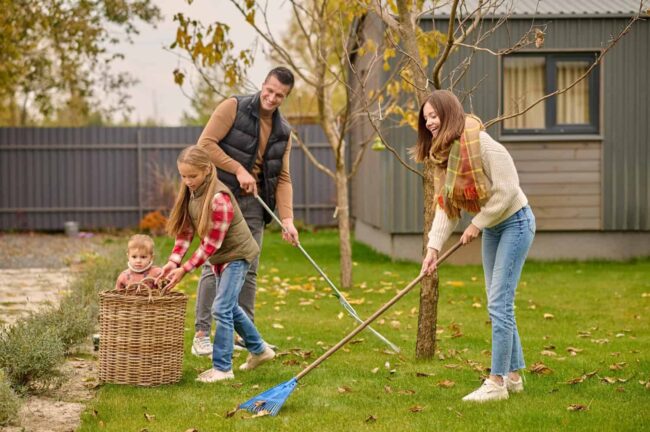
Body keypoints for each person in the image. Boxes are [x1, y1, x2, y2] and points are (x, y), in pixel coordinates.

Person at [417, 90, 535, 402]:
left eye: (434, 115)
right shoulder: (445, 155)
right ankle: (513, 376)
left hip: (516, 222)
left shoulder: (480, 143)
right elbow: (446, 206)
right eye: (425, 117)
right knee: (498, 302)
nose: (429, 122)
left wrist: (476, 223)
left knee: (500, 303)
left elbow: (508, 190)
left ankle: (496, 383)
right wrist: (433, 249)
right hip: (495, 226)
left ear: (449, 113)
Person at [190, 66, 299, 356]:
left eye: (280, 95)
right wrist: (238, 169)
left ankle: (246, 336)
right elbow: (205, 145)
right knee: (216, 263)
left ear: (285, 97)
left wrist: (287, 220)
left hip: (254, 203)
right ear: (263, 84)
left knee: (249, 268)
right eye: (270, 90)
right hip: (222, 197)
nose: (272, 98)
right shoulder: (233, 107)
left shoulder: (283, 132)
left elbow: (283, 177)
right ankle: (202, 334)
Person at [160, 145, 275, 382]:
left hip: (237, 255)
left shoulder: (219, 198)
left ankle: (222, 368)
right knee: (229, 307)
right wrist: (173, 262)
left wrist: (185, 269)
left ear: (207, 170)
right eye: (183, 176)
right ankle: (260, 350)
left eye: (193, 176)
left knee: (221, 308)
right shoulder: (192, 193)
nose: (188, 181)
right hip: (222, 258)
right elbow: (185, 231)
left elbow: (210, 245)